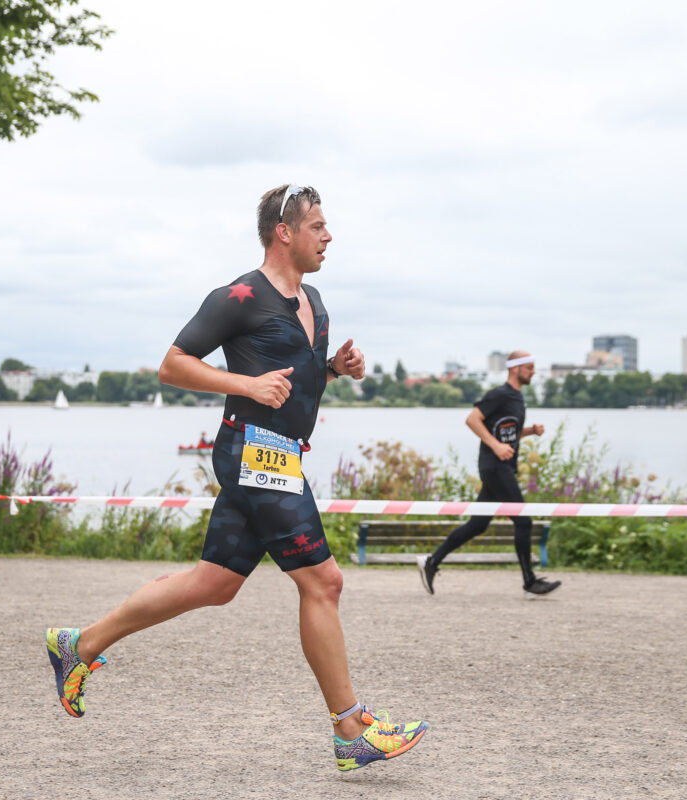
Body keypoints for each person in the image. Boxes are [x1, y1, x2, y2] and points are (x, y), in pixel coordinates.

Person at [45, 184, 428, 771]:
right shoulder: (238, 296)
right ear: (284, 231)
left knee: (214, 584)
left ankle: (81, 644)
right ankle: (350, 730)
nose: (329, 236)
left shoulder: (315, 300)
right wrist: (245, 386)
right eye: (318, 226)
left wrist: (333, 367)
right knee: (323, 583)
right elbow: (173, 365)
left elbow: (293, 372)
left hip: (284, 453)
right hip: (256, 454)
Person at [417, 351, 562, 598]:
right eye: (529, 367)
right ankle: (529, 581)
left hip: (499, 468)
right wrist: (495, 446)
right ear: (515, 369)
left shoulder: (516, 398)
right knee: (523, 520)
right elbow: (473, 419)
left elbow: (505, 432)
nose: (533, 372)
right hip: (495, 467)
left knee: (478, 524)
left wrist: (529, 431)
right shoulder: (500, 394)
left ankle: (431, 561)